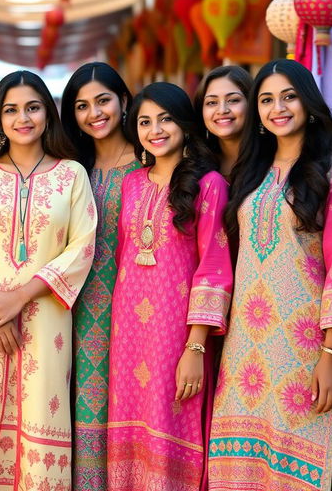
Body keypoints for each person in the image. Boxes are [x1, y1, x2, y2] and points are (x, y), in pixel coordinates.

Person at [208, 59, 332, 491]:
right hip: (246, 349)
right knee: (243, 466)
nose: (277, 107)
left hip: (305, 348)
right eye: (266, 99)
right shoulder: (249, 173)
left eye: (288, 96)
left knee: (305, 463)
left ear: (309, 103)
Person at [0, 70, 97, 490]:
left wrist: (19, 298)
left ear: (48, 113)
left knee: (41, 417)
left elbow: (82, 246)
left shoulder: (72, 175)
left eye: (32, 107)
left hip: (47, 320)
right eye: (11, 109)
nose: (22, 118)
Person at [107, 82, 233, 491]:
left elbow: (213, 267)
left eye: (165, 119)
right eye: (145, 121)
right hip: (128, 334)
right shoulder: (132, 184)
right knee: (129, 428)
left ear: (184, 124)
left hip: (176, 334)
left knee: (172, 418)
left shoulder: (209, 183)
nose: (155, 130)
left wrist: (196, 347)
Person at [60, 62, 138, 491]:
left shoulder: (152, 159)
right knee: (82, 410)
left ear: (123, 101)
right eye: (82, 106)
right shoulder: (70, 168)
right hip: (78, 311)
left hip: (139, 312)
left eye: (103, 100)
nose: (95, 113)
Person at [194, 65, 252, 179]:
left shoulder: (273, 162)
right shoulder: (194, 166)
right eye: (212, 102)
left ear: (251, 103)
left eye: (233, 100)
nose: (222, 110)